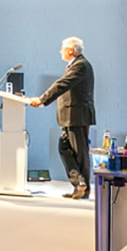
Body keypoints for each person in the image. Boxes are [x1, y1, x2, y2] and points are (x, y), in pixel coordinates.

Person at [28, 37, 97, 199]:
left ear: (71, 50)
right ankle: (79, 184)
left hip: (77, 116)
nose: (60, 51)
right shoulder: (77, 65)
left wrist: (42, 99)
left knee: (79, 153)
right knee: (64, 148)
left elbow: (62, 84)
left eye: (62, 48)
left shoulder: (81, 66)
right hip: (71, 116)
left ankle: (83, 189)